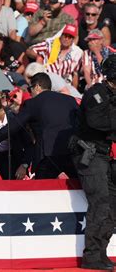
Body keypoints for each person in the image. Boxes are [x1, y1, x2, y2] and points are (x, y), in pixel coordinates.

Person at [0, 73, 79, 179]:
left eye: (30, 89)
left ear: (37, 86)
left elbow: (11, 128)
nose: (29, 92)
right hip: (72, 152)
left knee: (43, 191)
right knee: (80, 188)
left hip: (47, 156)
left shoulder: (32, 103)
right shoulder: (70, 100)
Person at [70, 54, 116, 271]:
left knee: (112, 206)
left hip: (106, 155)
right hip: (91, 154)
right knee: (101, 202)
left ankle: (101, 252)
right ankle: (92, 256)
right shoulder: (96, 93)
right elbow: (97, 121)